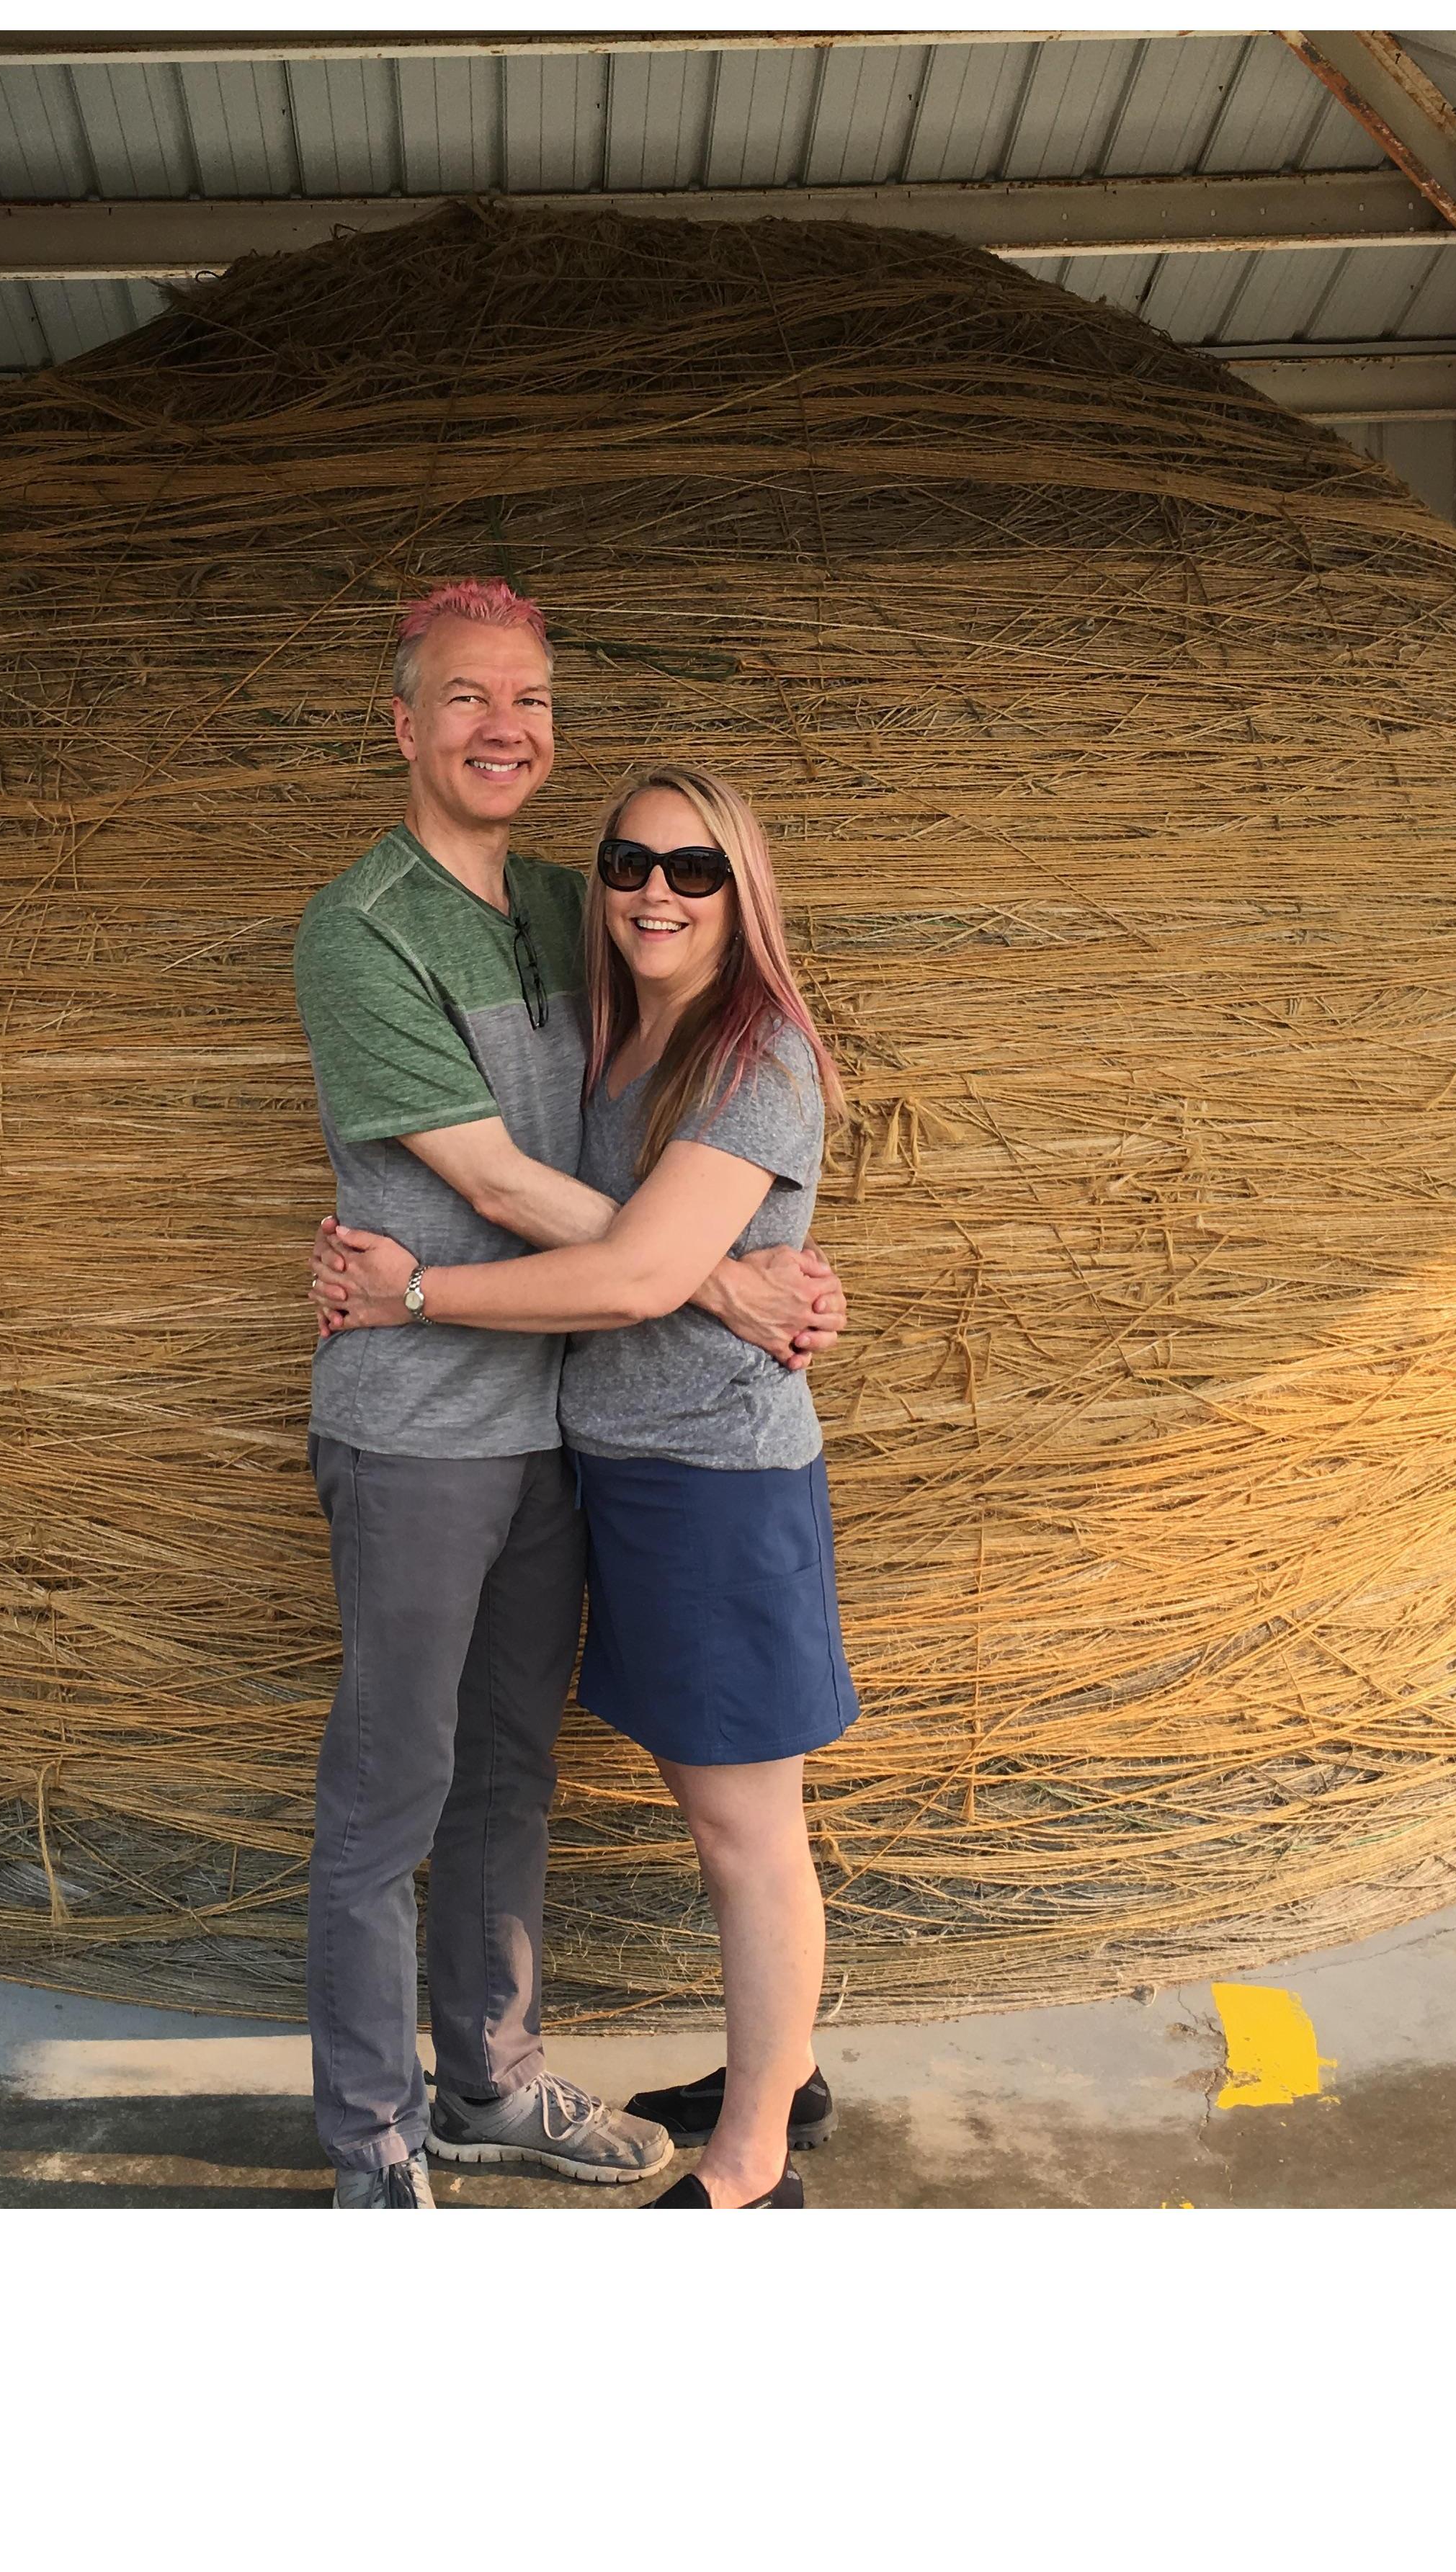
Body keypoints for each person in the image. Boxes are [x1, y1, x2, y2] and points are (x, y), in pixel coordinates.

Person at [292, 583, 848, 2210]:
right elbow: (491, 1177)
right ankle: (375, 2138)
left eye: (526, 699)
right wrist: (716, 1274)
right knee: (390, 1787)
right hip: (418, 1423)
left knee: (510, 1776)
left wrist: (718, 1263)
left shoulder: (571, 907)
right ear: (404, 725)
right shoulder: (362, 928)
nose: (499, 727)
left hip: (559, 1430)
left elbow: (668, 1151)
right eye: (464, 699)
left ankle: (491, 2079)